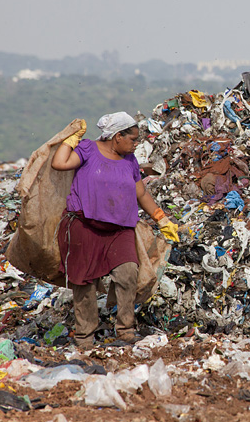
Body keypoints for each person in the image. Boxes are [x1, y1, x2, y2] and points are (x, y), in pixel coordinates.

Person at [51, 112, 176, 350]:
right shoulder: (88, 149)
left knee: (128, 273)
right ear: (117, 136)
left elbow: (140, 192)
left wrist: (161, 218)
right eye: (133, 139)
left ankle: (126, 330)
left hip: (119, 228)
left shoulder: (130, 160)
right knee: (85, 282)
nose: (136, 144)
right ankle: (85, 337)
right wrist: (69, 140)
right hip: (85, 225)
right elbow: (59, 163)